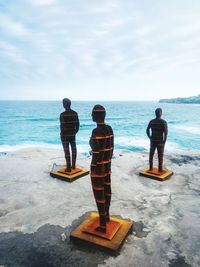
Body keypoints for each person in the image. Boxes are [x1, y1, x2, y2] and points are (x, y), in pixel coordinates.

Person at [89, 105, 114, 233]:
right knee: (107, 190)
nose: (91, 116)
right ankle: (107, 216)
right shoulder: (110, 129)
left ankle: (103, 225)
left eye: (92, 114)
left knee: (99, 194)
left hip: (98, 168)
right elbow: (111, 148)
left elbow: (96, 151)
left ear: (96, 116)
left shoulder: (96, 132)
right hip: (107, 166)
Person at [60, 98, 79, 172]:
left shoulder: (62, 115)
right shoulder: (75, 113)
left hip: (65, 135)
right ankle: (73, 166)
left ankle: (68, 167)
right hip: (72, 134)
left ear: (64, 105)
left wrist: (62, 135)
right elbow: (77, 125)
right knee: (74, 149)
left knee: (67, 151)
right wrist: (74, 132)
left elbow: (62, 126)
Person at [146, 108, 168, 173]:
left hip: (153, 140)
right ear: (161, 113)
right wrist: (164, 140)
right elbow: (166, 132)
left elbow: (147, 130)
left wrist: (150, 137)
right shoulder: (163, 122)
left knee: (151, 155)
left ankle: (150, 168)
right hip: (160, 141)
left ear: (155, 113)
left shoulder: (152, 121)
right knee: (160, 155)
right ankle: (160, 169)